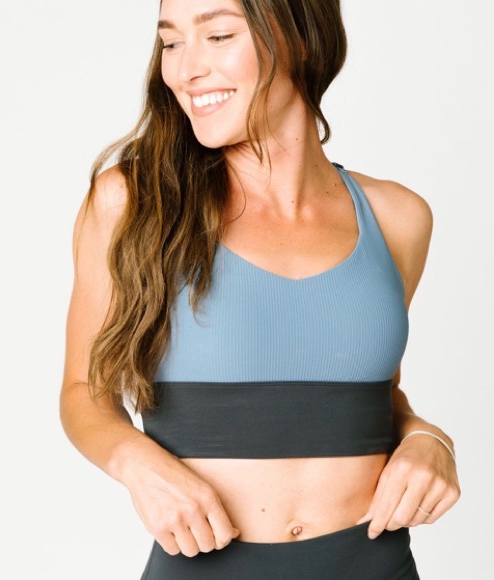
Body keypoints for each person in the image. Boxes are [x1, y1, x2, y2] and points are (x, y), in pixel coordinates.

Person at [60, 0, 461, 578]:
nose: (186, 69)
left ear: (301, 36)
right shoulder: (133, 204)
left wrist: (427, 438)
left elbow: (375, 394)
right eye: (171, 43)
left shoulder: (397, 218)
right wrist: (135, 461)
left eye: (219, 35)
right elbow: (83, 390)